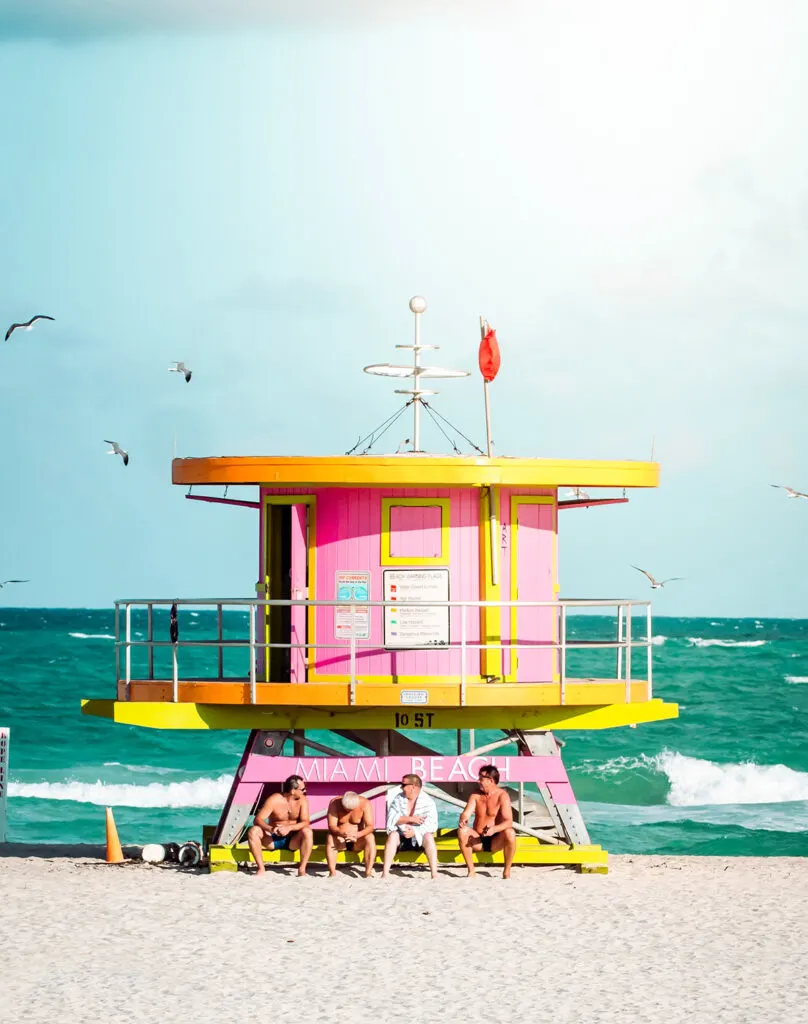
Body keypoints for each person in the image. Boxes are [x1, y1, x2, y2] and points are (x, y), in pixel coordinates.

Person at [246, 774, 314, 877]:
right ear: (292, 791)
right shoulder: (274, 800)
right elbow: (258, 819)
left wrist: (289, 827)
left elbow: (306, 822)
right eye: (302, 789)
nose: (305, 791)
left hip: (292, 840)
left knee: (308, 831)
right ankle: (261, 868)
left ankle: (302, 869)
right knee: (253, 831)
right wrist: (271, 829)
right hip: (273, 839)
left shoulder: (303, 800)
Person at [458, 764, 517, 879]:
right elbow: (467, 813)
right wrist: (463, 819)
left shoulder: (502, 795)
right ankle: (471, 871)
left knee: (510, 832)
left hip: (495, 840)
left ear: (490, 780)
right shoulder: (475, 795)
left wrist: (494, 829)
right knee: (462, 831)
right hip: (477, 839)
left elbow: (509, 821)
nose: (478, 781)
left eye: (481, 778)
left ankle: (507, 872)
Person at [382, 773, 439, 879]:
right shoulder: (398, 799)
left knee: (429, 837)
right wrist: (410, 819)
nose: (401, 787)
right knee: (393, 836)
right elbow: (391, 820)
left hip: (419, 838)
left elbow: (432, 825)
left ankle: (434, 874)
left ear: (413, 786)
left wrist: (415, 832)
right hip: (401, 834)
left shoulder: (428, 802)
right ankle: (385, 873)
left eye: (403, 785)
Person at [326, 791, 376, 878]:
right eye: (346, 809)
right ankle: (332, 872)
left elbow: (370, 826)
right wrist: (341, 833)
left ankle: (368, 872)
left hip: (357, 839)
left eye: (351, 809)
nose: (349, 811)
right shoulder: (335, 803)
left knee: (370, 837)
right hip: (341, 839)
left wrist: (358, 834)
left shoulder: (364, 803)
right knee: (330, 837)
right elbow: (332, 826)